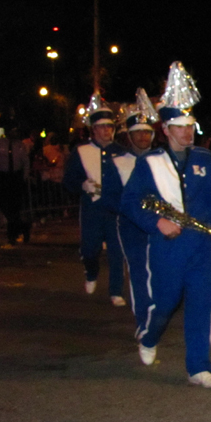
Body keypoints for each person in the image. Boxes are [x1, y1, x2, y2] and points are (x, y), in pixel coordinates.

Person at [121, 62, 211, 388]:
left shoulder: (204, 158)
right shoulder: (149, 162)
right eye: (179, 126)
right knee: (165, 302)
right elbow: (130, 202)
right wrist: (157, 222)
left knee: (200, 304)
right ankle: (150, 336)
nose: (187, 132)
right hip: (168, 246)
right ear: (165, 129)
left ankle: (199, 367)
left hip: (202, 247)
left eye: (190, 125)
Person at [63, 93, 129, 305]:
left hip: (115, 210)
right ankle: (91, 272)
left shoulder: (121, 152)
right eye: (102, 127)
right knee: (89, 249)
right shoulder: (81, 151)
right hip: (92, 210)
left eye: (109, 127)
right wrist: (81, 184)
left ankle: (115, 291)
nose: (106, 131)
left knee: (117, 251)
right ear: (94, 129)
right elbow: (68, 180)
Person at [117, 88, 158, 337]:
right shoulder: (119, 162)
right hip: (132, 227)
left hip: (160, 225)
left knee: (161, 274)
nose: (143, 136)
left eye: (147, 131)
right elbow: (115, 199)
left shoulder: (161, 160)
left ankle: (157, 315)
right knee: (140, 273)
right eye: (138, 132)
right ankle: (143, 322)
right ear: (130, 135)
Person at [0, 127, 30, 246]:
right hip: (1, 177)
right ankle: (21, 227)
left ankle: (13, 233)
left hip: (15, 177)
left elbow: (25, 162)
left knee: (14, 206)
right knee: (3, 204)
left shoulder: (19, 145)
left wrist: (24, 177)